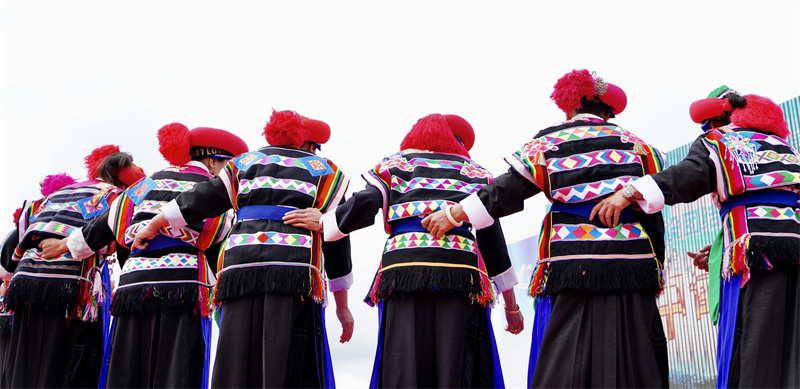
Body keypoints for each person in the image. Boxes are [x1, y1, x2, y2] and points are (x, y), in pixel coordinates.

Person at [423, 70, 669, 388]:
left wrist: (455, 214)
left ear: (571, 106)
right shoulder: (639, 146)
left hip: (571, 262)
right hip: (632, 264)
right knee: (637, 360)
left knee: (566, 363)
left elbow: (505, 191)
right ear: (608, 112)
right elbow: (652, 215)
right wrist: (657, 267)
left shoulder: (551, 142)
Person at [285, 113, 524, 388]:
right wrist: (511, 306)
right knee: (456, 360)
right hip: (460, 272)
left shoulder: (396, 164)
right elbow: (493, 242)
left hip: (402, 269)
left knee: (403, 359)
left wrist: (326, 221)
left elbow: (366, 201)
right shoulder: (475, 172)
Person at [591, 87, 800, 388]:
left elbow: (687, 175)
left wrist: (628, 192)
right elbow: (776, 205)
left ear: (714, 121)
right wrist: (719, 250)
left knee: (754, 348)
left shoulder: (719, 141)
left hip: (757, 256)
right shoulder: (783, 146)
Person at [133, 110, 354, 388]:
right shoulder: (326, 170)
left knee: (236, 354)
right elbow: (337, 239)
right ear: (309, 144)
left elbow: (200, 199)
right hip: (293, 268)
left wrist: (155, 223)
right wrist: (342, 306)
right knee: (288, 356)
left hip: (239, 267)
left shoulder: (244, 163)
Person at [40, 123, 249, 388]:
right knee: (176, 370)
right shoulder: (212, 188)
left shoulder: (146, 184)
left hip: (133, 284)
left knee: (126, 369)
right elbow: (218, 234)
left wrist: (65, 244)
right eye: (227, 164)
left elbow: (108, 222)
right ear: (212, 160)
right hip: (182, 285)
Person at [0, 146, 144, 388]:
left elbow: (17, 238)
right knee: (61, 368)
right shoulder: (116, 196)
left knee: (24, 366)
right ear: (123, 174)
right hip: (67, 286)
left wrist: (13, 270)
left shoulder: (55, 195)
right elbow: (112, 229)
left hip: (24, 283)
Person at [0, 172, 77, 388]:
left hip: (25, 291)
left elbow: (6, 263)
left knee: (20, 363)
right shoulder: (83, 207)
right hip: (65, 291)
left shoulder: (35, 212)